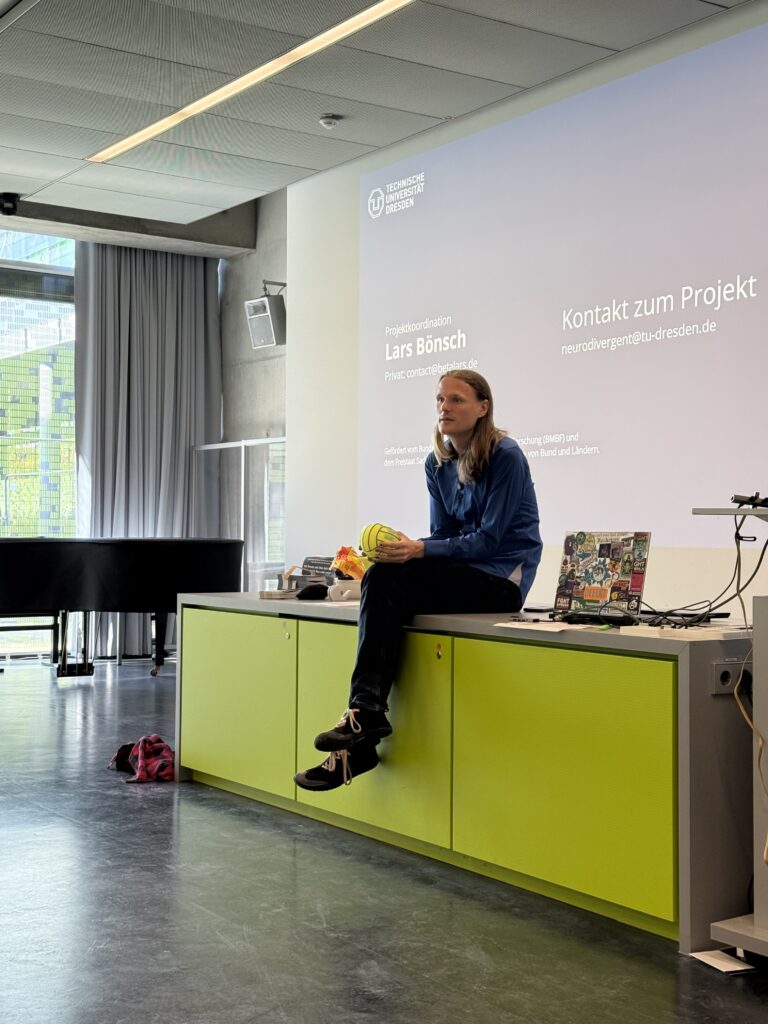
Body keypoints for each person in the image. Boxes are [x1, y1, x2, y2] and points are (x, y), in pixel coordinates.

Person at [294, 369, 542, 791]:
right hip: (462, 574)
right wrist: (401, 548)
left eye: (457, 400)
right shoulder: (437, 462)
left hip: (500, 583)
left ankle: (362, 728)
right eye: (440, 400)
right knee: (384, 574)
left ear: (483, 408)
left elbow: (487, 541)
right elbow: (445, 534)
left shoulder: (507, 455)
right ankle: (364, 720)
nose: (445, 407)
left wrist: (418, 550)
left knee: (390, 581)